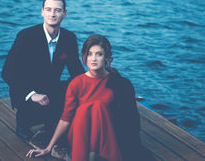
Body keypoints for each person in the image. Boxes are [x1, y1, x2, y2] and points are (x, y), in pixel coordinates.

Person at [27, 34, 155, 161]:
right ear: (84, 57)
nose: (93, 58)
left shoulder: (119, 83)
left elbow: (129, 118)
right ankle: (89, 156)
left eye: (99, 54)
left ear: (107, 58)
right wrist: (49, 147)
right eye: (89, 54)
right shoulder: (77, 83)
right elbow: (66, 119)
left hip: (107, 134)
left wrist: (130, 146)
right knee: (84, 110)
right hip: (79, 133)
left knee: (97, 107)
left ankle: (92, 155)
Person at [2, 0, 84, 141]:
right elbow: (7, 72)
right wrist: (32, 94)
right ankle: (23, 123)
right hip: (27, 90)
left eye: (57, 10)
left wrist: (95, 84)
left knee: (75, 86)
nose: (52, 14)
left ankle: (52, 122)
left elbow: (76, 71)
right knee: (30, 117)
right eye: (48, 9)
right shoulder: (26, 36)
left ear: (64, 14)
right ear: (42, 12)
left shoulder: (69, 38)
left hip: (51, 88)